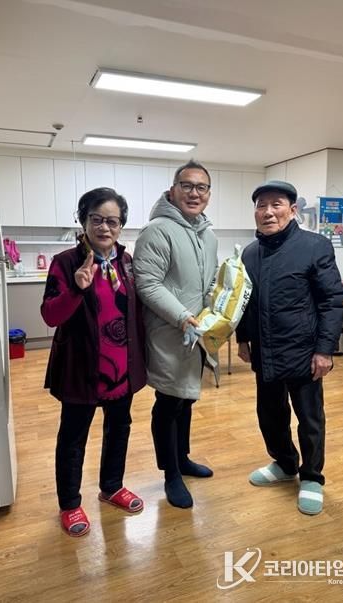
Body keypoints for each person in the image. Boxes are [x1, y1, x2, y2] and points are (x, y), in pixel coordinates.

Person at [236, 180, 343, 515]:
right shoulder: (250, 253)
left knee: (309, 419)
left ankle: (311, 476)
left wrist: (325, 350)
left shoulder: (315, 246)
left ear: (293, 210)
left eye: (277, 204)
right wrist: (242, 338)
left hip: (304, 351)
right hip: (264, 351)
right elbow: (244, 300)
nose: (268, 212)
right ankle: (284, 464)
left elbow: (332, 299)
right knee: (270, 415)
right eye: (261, 205)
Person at [41, 187, 146, 536]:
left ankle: (111, 487)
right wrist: (76, 288)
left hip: (121, 368)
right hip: (81, 368)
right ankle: (70, 503)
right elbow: (50, 316)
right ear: (83, 221)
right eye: (96, 219)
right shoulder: (66, 262)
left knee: (119, 428)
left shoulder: (126, 263)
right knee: (73, 437)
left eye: (112, 221)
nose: (104, 227)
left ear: (121, 226)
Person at [133, 160, 218, 509]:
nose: (194, 193)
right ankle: (171, 474)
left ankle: (182, 459)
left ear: (208, 194)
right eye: (187, 185)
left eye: (201, 187)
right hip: (170, 333)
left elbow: (210, 281)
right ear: (173, 190)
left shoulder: (208, 235)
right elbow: (147, 284)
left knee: (186, 399)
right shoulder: (157, 230)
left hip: (197, 334)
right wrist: (183, 317)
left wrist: (216, 309)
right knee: (168, 402)